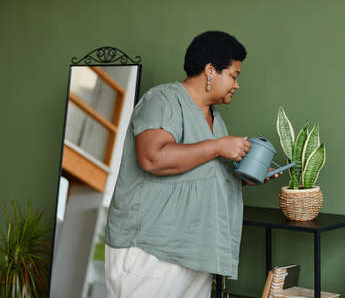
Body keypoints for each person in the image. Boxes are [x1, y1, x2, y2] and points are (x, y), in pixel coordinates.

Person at [104, 31, 280, 298]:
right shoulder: (162, 99)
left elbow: (201, 168)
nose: (237, 85)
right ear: (210, 71)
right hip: (154, 250)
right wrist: (219, 146)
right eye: (234, 75)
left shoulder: (214, 118)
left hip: (196, 252)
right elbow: (153, 157)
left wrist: (244, 175)